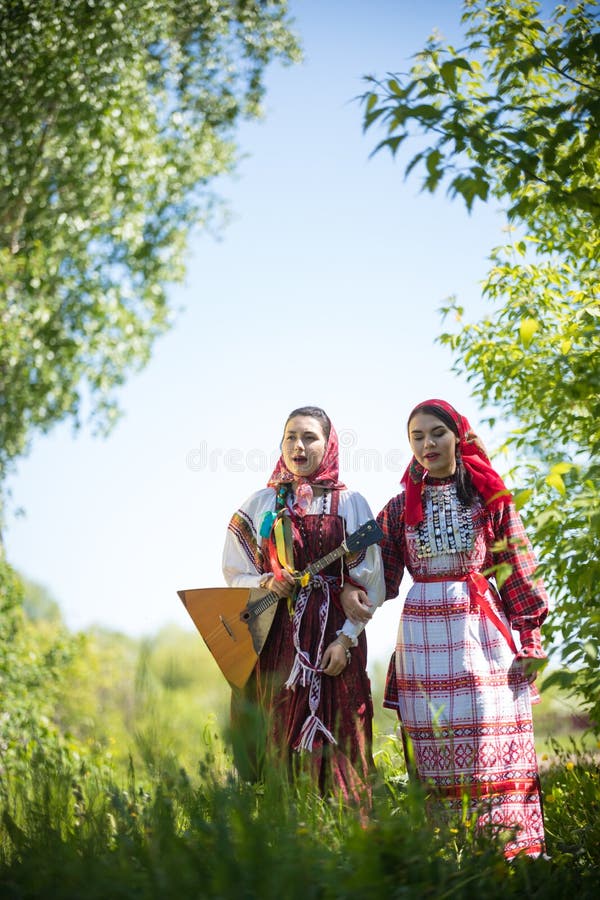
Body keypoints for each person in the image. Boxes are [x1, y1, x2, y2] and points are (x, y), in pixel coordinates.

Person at [347, 399, 548, 857]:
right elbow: (361, 555)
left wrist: (531, 635)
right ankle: (446, 858)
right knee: (432, 743)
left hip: (480, 632)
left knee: (484, 733)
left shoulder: (489, 498)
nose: (427, 444)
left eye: (436, 433)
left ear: (458, 435)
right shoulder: (398, 508)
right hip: (421, 637)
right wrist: (344, 581)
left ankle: (506, 855)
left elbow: (517, 569)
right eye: (416, 437)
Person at [222, 406, 385, 809]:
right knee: (276, 732)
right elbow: (233, 575)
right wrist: (267, 582)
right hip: (275, 645)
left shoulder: (352, 504)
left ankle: (345, 842)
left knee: (343, 735)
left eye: (310, 437)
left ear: (328, 444)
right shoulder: (259, 504)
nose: (299, 445)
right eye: (291, 436)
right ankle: (284, 843)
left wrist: (345, 640)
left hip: (333, 643)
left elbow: (370, 585)